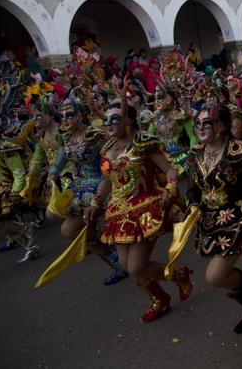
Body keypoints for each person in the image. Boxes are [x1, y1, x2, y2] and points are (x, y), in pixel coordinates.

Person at [84, 98, 193, 323]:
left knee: (135, 267)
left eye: (114, 118)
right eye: (105, 120)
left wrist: (170, 188)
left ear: (128, 120)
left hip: (146, 207)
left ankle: (179, 275)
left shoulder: (143, 142)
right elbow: (107, 180)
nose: (108, 123)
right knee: (126, 265)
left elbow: (170, 170)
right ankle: (160, 298)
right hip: (119, 212)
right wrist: (95, 203)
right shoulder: (106, 149)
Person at [186, 106, 242, 333]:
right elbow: (193, 190)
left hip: (238, 220)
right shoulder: (195, 155)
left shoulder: (240, 151)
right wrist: (192, 206)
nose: (201, 128)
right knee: (218, 276)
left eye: (208, 123)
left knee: (215, 276)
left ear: (221, 125)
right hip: (210, 224)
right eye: (198, 123)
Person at [48, 93, 127, 285]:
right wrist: (51, 176)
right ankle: (115, 260)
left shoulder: (95, 134)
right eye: (62, 116)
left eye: (70, 115)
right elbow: (59, 163)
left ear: (80, 116)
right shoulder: (66, 140)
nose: (65, 119)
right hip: (79, 191)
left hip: (103, 185)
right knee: (71, 231)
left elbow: (114, 147)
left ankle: (125, 258)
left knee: (106, 227)